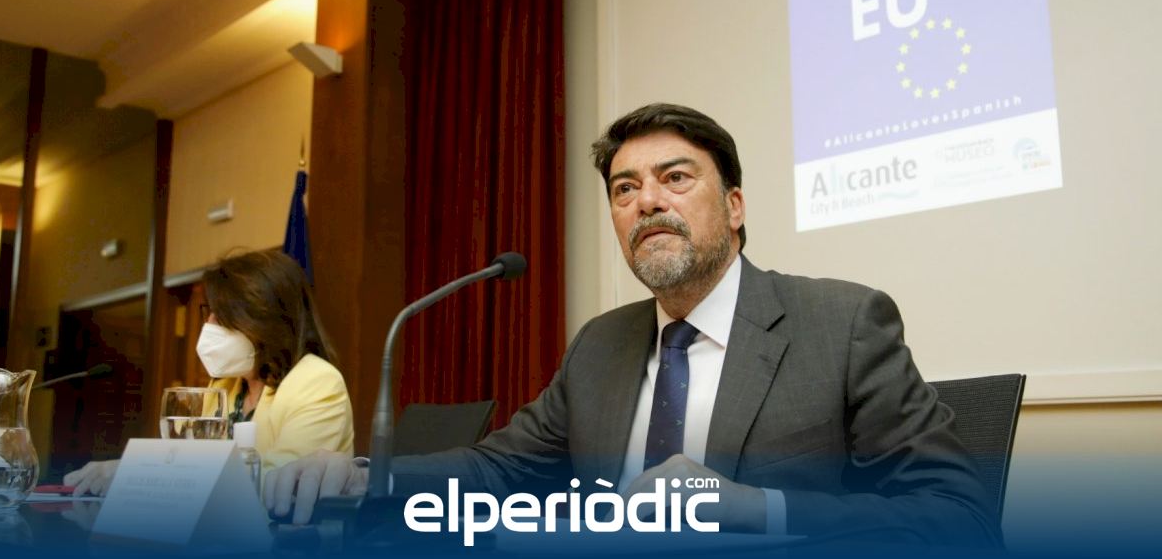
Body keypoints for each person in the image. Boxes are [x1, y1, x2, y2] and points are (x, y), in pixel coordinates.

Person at [266, 104, 999, 546]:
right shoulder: (600, 344)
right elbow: (498, 470)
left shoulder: (842, 324)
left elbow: (956, 517)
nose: (646, 201)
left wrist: (752, 509)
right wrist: (364, 476)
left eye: (675, 178)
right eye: (625, 189)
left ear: (735, 207)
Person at [64, 250, 354, 496]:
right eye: (211, 312)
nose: (210, 325)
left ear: (266, 322)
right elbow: (184, 462)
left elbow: (277, 482)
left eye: (224, 317)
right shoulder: (225, 387)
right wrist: (133, 471)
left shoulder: (317, 381)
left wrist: (137, 475)